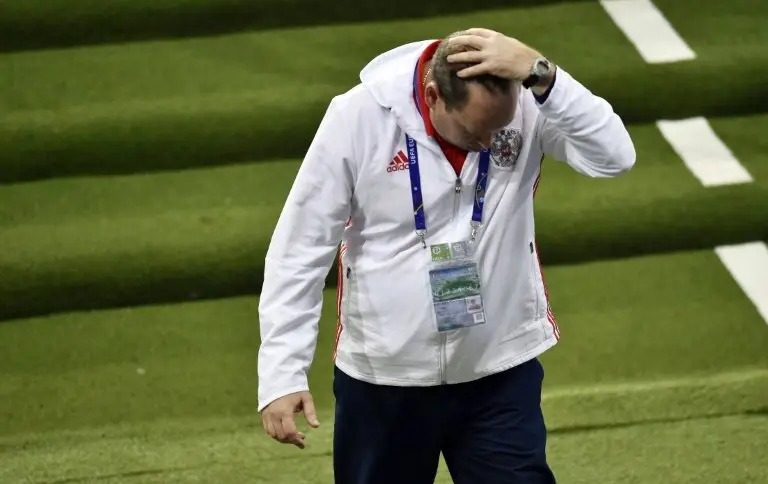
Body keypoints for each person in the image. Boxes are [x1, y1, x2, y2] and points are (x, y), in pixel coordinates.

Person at [257, 28, 635, 483]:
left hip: (496, 368)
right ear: (434, 95)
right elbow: (301, 247)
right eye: (477, 130)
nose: (491, 141)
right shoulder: (358, 117)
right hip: (385, 379)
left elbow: (615, 156)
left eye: (501, 127)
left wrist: (544, 75)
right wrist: (282, 374)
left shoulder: (528, 104)